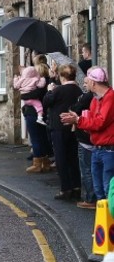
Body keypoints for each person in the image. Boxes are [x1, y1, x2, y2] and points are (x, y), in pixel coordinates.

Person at [61, 66, 114, 202]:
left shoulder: (110, 98)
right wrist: (77, 120)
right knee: (99, 189)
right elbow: (91, 121)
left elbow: (99, 122)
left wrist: (78, 120)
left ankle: (110, 221)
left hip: (109, 150)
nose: (85, 83)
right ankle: (102, 222)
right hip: (97, 148)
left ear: (94, 83)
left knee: (108, 189)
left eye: (88, 80)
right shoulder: (96, 99)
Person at [43, 64, 83, 200]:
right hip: (73, 127)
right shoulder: (78, 90)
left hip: (59, 128)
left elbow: (46, 102)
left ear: (62, 76)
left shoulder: (58, 90)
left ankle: (66, 189)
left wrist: (49, 90)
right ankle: (76, 187)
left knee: (61, 159)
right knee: (73, 158)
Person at [71, 81, 96, 209]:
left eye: (87, 82)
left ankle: (90, 199)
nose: (85, 85)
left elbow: (74, 109)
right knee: (94, 170)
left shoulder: (88, 96)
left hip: (86, 140)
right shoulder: (98, 97)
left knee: (86, 170)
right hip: (93, 139)